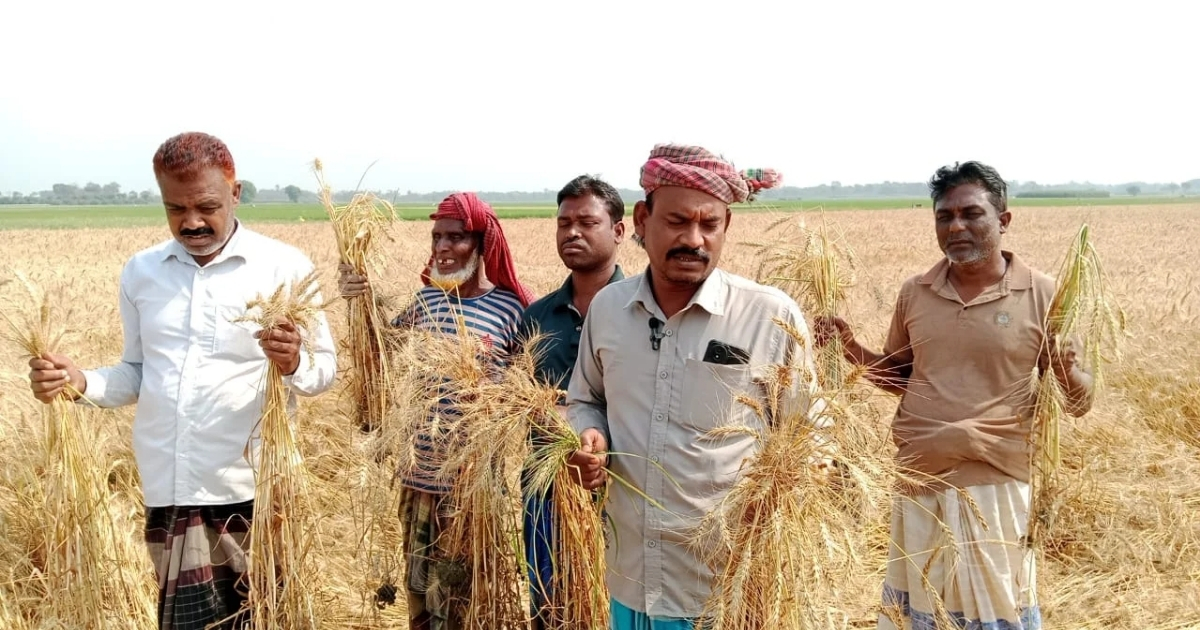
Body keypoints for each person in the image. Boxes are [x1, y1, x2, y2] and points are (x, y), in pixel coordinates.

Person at [25, 131, 339, 630]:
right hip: (169, 489)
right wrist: (79, 380)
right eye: (175, 208)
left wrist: (293, 362)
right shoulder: (143, 272)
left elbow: (324, 371)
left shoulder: (284, 266)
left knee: (259, 618)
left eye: (206, 206)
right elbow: (137, 372)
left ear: (236, 194)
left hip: (250, 489)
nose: (191, 222)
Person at [813, 161, 1094, 630]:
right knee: (926, 610)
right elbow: (902, 376)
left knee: (997, 610)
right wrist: (849, 349)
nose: (956, 226)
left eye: (971, 213)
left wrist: (1067, 369)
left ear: (1003, 221)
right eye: (945, 216)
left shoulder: (1044, 294)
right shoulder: (916, 292)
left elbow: (1079, 402)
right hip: (918, 477)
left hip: (996, 484)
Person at [563, 143, 825, 629]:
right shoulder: (608, 310)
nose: (695, 239)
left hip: (726, 589)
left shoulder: (770, 316)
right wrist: (589, 436)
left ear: (727, 227)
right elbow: (585, 399)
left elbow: (811, 436)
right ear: (642, 219)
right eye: (678, 221)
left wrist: (782, 503)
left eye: (710, 225)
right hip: (631, 576)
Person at [338, 191, 534, 630]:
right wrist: (360, 303)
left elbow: (529, 388)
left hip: (472, 490)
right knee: (421, 599)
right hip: (417, 480)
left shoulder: (512, 308)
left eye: (456, 238)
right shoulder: (425, 304)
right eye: (437, 238)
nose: (442, 248)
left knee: (467, 603)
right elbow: (380, 361)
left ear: (482, 245)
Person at [514, 174, 627, 628]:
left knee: (615, 602)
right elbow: (515, 400)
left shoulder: (640, 312)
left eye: (586, 222)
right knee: (550, 603)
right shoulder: (537, 316)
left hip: (620, 489)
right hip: (545, 490)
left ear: (618, 231)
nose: (572, 232)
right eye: (564, 223)